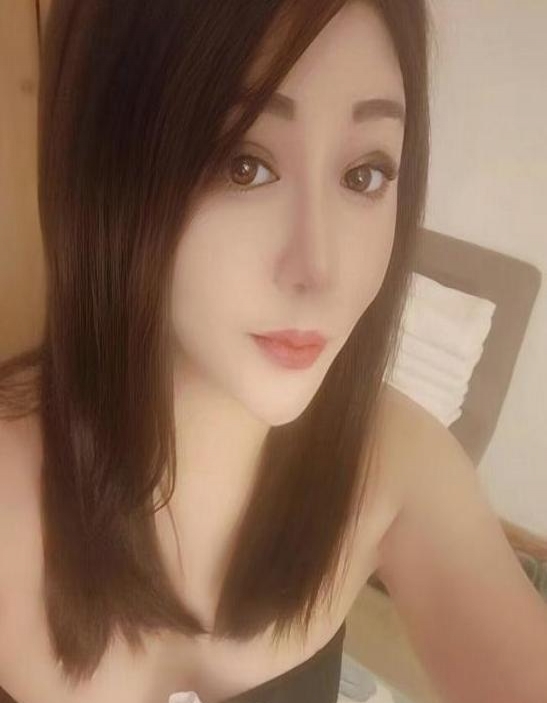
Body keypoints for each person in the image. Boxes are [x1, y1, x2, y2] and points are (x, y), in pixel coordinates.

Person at [0, 1, 546, 702]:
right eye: (245, 165)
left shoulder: (398, 462)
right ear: (102, 169)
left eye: (364, 174)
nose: (320, 270)